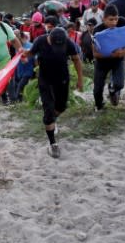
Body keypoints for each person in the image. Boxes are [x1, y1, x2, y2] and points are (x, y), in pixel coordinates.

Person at [22, 27, 83, 158]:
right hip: (45, 80)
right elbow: (32, 53)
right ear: (49, 38)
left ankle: (52, 120)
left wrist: (80, 79)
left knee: (61, 107)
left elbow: (76, 59)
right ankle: (52, 143)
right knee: (48, 110)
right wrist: (25, 55)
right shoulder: (40, 41)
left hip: (62, 79)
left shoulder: (68, 42)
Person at [91, 5, 125, 111]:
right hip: (102, 62)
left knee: (119, 84)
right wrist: (112, 54)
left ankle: (112, 90)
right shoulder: (97, 31)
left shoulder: (122, 21)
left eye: (116, 19)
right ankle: (99, 107)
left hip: (118, 60)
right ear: (103, 18)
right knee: (98, 89)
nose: (114, 22)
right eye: (111, 19)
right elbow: (95, 54)